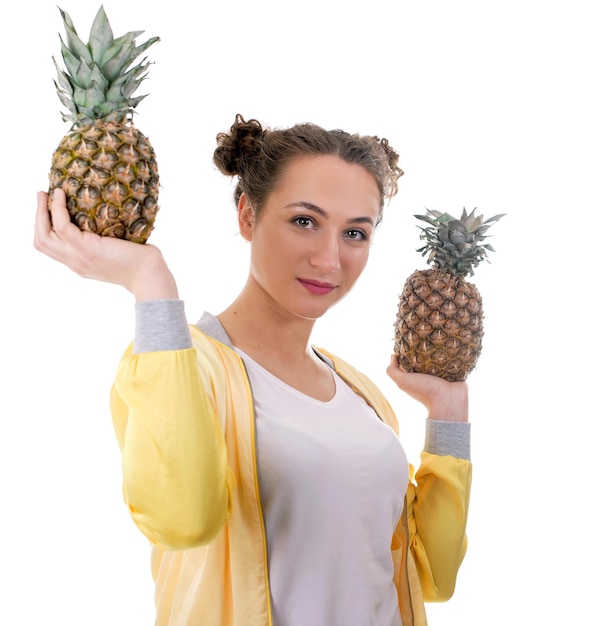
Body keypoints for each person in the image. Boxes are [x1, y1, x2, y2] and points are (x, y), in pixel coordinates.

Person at [34, 114, 472, 626]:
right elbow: (182, 522)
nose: (330, 259)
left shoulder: (361, 394)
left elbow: (432, 577)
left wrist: (449, 413)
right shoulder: (179, 362)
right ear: (247, 215)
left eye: (355, 232)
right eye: (304, 221)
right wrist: (151, 284)